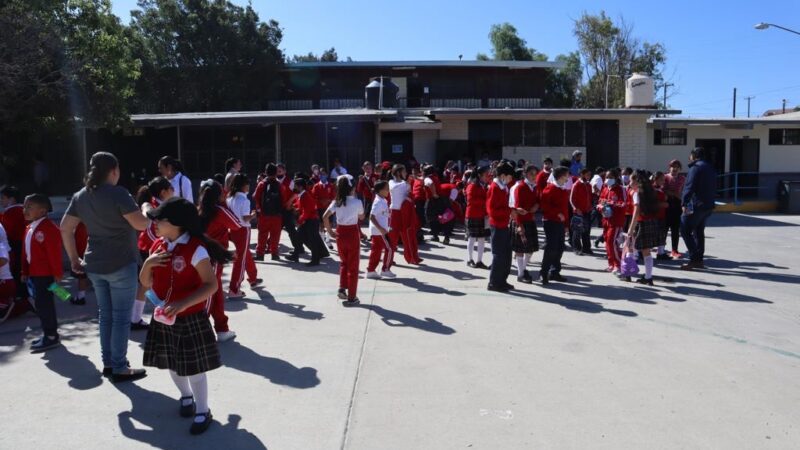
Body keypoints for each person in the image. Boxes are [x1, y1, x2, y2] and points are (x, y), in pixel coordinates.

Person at [141, 197, 233, 435]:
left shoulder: (196, 249)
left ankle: (203, 410)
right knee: (171, 364)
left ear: (176, 223)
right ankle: (185, 396)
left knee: (193, 369)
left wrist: (183, 304)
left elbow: (210, 285)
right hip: (164, 318)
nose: (155, 224)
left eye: (160, 220)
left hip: (189, 318)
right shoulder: (157, 248)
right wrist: (148, 265)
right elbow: (145, 283)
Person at [62, 151, 149, 382]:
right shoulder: (119, 193)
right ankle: (119, 366)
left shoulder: (81, 196)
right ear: (114, 170)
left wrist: (73, 258)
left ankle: (109, 363)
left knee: (106, 316)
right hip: (121, 262)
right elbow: (141, 225)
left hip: (94, 264)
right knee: (120, 317)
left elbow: (65, 227)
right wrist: (147, 212)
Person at [198, 179, 242, 342]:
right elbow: (237, 224)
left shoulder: (198, 210)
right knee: (210, 291)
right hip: (215, 256)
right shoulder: (219, 211)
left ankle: (222, 328)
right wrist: (224, 204)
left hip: (202, 254)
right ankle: (201, 329)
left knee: (215, 293)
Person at [21, 194, 62, 353]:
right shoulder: (29, 228)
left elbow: (54, 253)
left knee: (45, 305)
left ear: (43, 210)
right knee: (40, 304)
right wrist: (24, 270)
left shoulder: (48, 228)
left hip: (45, 275)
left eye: (30, 207)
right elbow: (26, 252)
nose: (25, 210)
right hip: (34, 274)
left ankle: (51, 336)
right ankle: (48, 332)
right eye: (24, 206)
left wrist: (57, 273)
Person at [133, 177, 174, 330]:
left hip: (153, 248)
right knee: (152, 284)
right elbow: (149, 223)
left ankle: (135, 317)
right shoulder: (153, 205)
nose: (174, 191)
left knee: (148, 285)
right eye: (171, 188)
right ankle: (159, 315)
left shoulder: (163, 204)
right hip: (151, 248)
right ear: (164, 192)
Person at [323, 175, 364, 306]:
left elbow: (325, 216)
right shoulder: (357, 202)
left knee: (343, 263)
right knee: (353, 266)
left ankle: (342, 288)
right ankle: (352, 296)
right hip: (352, 233)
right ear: (352, 188)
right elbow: (362, 216)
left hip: (340, 233)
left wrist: (329, 231)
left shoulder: (337, 202)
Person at [680, 147, 716, 270]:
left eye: (690, 156)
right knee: (698, 231)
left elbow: (689, 187)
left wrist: (684, 203)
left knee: (685, 230)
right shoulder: (709, 167)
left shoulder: (695, 168)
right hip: (708, 205)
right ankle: (699, 259)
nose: (689, 158)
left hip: (697, 205)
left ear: (694, 156)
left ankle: (694, 259)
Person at [226, 174, 261, 297]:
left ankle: (253, 278)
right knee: (240, 259)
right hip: (243, 230)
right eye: (247, 184)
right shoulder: (244, 200)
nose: (249, 187)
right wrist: (253, 214)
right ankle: (234, 288)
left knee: (245, 254)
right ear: (243, 185)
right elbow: (245, 218)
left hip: (233, 229)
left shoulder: (229, 198)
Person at [627, 171, 662, 285]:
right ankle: (648, 277)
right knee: (646, 251)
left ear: (637, 182)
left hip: (641, 223)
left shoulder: (637, 193)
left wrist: (630, 229)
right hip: (651, 222)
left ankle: (628, 274)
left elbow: (636, 212)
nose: (629, 182)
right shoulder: (650, 191)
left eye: (632, 180)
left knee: (630, 247)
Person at [486, 161, 516, 292]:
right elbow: (492, 211)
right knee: (499, 255)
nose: (510, 180)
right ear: (503, 175)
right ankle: (494, 282)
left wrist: (512, 209)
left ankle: (502, 280)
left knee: (506, 254)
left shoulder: (503, 187)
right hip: (497, 225)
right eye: (509, 177)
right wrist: (510, 211)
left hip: (504, 223)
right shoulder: (495, 187)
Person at [539, 167, 571, 285]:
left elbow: (565, 209)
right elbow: (545, 206)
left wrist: (566, 224)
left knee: (559, 248)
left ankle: (554, 271)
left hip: (560, 223)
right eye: (566, 175)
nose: (568, 178)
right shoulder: (550, 188)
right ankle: (543, 272)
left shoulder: (562, 189)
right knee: (551, 248)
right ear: (561, 176)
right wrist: (557, 213)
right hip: (550, 221)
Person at [509, 164, 540, 284]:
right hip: (520, 220)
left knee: (530, 249)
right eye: (531, 174)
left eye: (535, 174)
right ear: (525, 174)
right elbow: (517, 207)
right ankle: (520, 274)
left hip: (530, 219)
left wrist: (536, 205)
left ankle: (523, 268)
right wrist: (519, 225)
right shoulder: (520, 187)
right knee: (520, 249)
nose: (534, 176)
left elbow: (537, 200)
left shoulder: (534, 187)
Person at [253, 163, 290, 261]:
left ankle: (260, 254)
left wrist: (259, 209)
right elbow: (284, 199)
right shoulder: (279, 185)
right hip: (276, 215)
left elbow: (256, 197)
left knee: (262, 234)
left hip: (264, 215)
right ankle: (275, 254)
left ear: (266, 172)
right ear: (276, 173)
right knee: (275, 235)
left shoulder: (262, 184)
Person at [387, 164, 421, 265]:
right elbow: (394, 188)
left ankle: (412, 257)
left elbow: (409, 195)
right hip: (394, 212)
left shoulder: (406, 183)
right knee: (393, 237)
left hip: (404, 212)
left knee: (408, 235)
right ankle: (389, 258)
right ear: (398, 173)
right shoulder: (391, 182)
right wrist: (408, 182)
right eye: (404, 171)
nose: (406, 173)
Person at [293, 178, 329, 266]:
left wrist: (300, 220)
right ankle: (295, 255)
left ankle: (315, 260)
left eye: (295, 186)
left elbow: (307, 211)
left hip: (311, 220)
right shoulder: (302, 195)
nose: (294, 187)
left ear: (300, 187)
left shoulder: (305, 195)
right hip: (308, 220)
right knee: (298, 237)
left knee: (313, 241)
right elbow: (302, 207)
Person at [597, 170, 626, 275]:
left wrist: (611, 203)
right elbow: (600, 201)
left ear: (615, 177)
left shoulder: (621, 189)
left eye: (610, 176)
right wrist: (601, 207)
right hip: (605, 220)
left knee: (612, 242)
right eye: (606, 176)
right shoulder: (605, 188)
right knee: (607, 243)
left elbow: (623, 204)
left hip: (616, 221)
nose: (607, 179)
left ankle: (618, 265)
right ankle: (611, 264)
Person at [365, 181, 395, 280]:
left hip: (379, 231)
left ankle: (371, 270)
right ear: (380, 190)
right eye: (386, 188)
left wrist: (387, 226)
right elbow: (372, 217)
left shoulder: (383, 200)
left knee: (376, 251)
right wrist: (382, 229)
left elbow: (383, 215)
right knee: (390, 249)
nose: (388, 190)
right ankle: (385, 269)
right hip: (379, 231)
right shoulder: (378, 201)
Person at [1, 186, 26, 299]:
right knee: (46, 278)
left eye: (3, 198)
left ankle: (23, 299)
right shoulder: (26, 211)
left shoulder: (10, 213)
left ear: (12, 199)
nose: (1, 201)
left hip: (18, 249)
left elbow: (8, 233)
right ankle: (65, 296)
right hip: (34, 249)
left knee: (20, 274)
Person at [465, 167, 490, 269]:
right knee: (471, 238)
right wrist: (485, 202)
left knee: (481, 239)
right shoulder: (472, 185)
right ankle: (469, 259)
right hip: (472, 214)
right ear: (479, 175)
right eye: (485, 175)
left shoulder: (483, 185)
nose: (487, 177)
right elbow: (470, 200)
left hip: (482, 215)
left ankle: (479, 261)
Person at [664, 159, 686, 258]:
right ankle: (661, 249)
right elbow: (664, 190)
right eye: (673, 166)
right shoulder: (665, 177)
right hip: (666, 204)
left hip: (677, 205)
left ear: (680, 168)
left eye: (677, 166)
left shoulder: (682, 178)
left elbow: (682, 191)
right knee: (664, 228)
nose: (674, 168)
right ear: (669, 167)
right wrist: (673, 193)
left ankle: (674, 250)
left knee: (675, 229)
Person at [569, 168, 594, 255]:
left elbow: (590, 197)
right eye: (587, 174)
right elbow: (571, 199)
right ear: (582, 174)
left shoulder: (589, 185)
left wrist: (591, 206)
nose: (589, 176)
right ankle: (576, 248)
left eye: (590, 175)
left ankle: (586, 248)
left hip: (587, 211)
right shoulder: (576, 184)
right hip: (578, 212)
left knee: (586, 230)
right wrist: (575, 208)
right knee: (577, 230)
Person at [311, 168, 336, 250]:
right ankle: (322, 241)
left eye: (324, 174)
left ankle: (328, 239)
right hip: (320, 208)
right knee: (321, 225)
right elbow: (313, 197)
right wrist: (320, 201)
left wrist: (328, 200)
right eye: (321, 174)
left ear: (327, 175)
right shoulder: (316, 186)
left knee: (330, 224)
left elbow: (334, 196)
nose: (322, 176)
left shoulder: (331, 186)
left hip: (329, 208)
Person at [652, 172, 671, 260]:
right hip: (655, 215)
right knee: (653, 234)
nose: (663, 181)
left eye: (664, 180)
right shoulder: (652, 189)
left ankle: (661, 252)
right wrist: (663, 204)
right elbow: (651, 203)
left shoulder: (661, 189)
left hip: (661, 215)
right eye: (661, 180)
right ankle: (640, 252)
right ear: (655, 179)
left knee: (662, 234)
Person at [70, 222, 90, 305]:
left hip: (82, 252)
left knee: (82, 276)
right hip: (83, 252)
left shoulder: (82, 225)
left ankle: (80, 296)